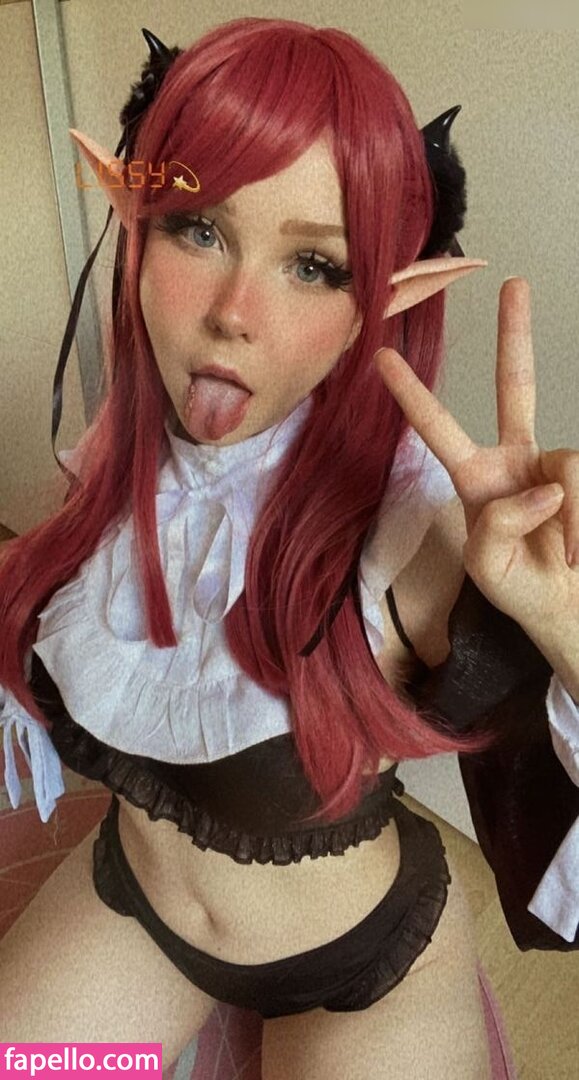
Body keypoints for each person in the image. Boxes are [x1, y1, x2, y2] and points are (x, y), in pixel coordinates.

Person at [1, 16, 578, 1077]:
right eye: (199, 230)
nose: (234, 314)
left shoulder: (413, 528)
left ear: (382, 303)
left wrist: (565, 634)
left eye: (313, 265)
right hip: (136, 917)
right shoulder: (117, 457)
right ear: (134, 225)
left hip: (359, 970)